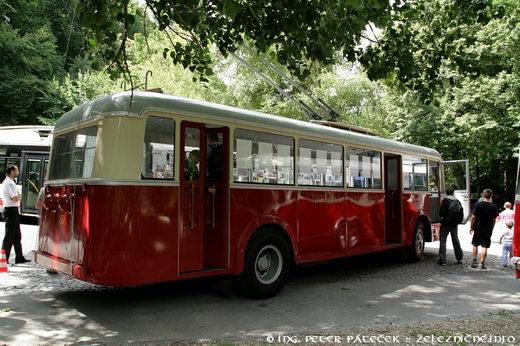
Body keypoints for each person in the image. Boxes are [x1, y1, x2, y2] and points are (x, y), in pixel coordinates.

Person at [1, 165, 30, 265]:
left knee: (17, 235)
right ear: (12, 171)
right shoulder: (8, 183)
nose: (18, 171)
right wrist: (18, 197)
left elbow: (19, 197)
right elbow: (15, 198)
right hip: (10, 210)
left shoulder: (11, 182)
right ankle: (4, 259)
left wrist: (18, 197)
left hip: (14, 210)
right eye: (16, 170)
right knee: (9, 235)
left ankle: (19, 257)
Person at [470, 189, 499, 270]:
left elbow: (473, 217)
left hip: (478, 227)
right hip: (487, 228)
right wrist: (492, 228)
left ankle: (474, 261)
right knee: (485, 246)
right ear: (491, 196)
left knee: (475, 244)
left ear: (483, 195)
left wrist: (471, 227)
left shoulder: (477, 205)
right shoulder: (494, 206)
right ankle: (481, 263)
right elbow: (494, 220)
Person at [438, 186, 464, 265]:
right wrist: (457, 221)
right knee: (455, 240)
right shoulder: (457, 201)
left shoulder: (445, 201)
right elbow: (461, 214)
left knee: (443, 240)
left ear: (446, 193)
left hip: (445, 223)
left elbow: (441, 213)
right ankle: (459, 258)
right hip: (454, 224)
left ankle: (443, 260)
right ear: (453, 192)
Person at [35, 187, 58, 274]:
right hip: (60, 220)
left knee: (50, 242)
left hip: (47, 219)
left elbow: (37, 205)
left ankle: (53, 266)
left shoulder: (44, 190)